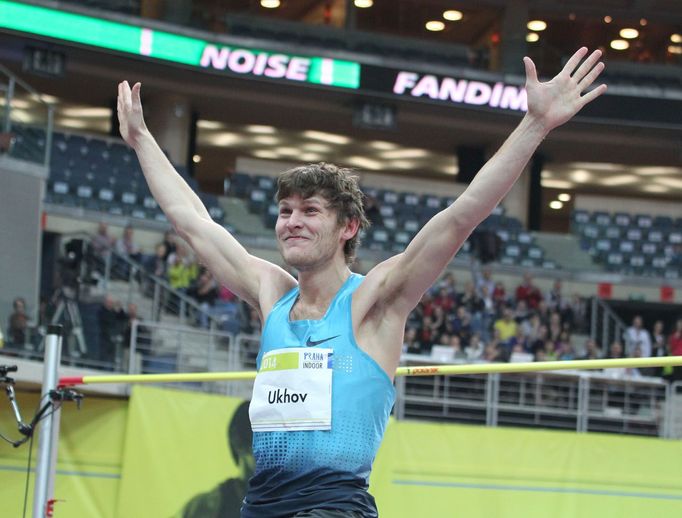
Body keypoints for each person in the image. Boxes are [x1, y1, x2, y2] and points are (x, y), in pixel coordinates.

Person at [117, 47, 606, 517]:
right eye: (285, 211)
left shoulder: (375, 301)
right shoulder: (271, 292)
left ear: (348, 226)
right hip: (261, 506)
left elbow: (460, 218)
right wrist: (142, 139)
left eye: (310, 211)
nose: (291, 222)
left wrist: (535, 124)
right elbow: (192, 222)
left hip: (333, 508)